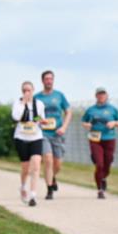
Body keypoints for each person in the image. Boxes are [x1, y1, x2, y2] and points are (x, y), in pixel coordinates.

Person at [34, 70, 71, 200]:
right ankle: (49, 189)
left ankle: (53, 177)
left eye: (51, 79)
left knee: (57, 164)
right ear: (42, 81)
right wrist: (40, 119)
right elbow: (33, 114)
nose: (49, 81)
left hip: (57, 133)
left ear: (53, 80)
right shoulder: (37, 97)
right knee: (48, 160)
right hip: (43, 132)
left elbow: (68, 112)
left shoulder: (59, 95)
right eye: (46, 79)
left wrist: (64, 127)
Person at [81, 87, 118, 199]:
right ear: (96, 96)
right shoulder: (91, 110)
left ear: (106, 95)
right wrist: (87, 125)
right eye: (99, 94)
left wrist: (114, 123)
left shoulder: (112, 109)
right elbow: (84, 121)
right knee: (99, 164)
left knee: (107, 163)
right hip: (95, 139)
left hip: (109, 138)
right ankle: (100, 190)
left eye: (103, 94)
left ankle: (103, 178)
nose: (101, 96)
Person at [12, 82, 47, 207]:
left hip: (36, 137)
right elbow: (16, 117)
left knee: (36, 164)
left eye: (29, 90)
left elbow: (38, 118)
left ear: (33, 90)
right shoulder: (18, 103)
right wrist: (23, 103)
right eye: (24, 90)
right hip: (21, 137)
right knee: (25, 168)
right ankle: (22, 187)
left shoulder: (39, 104)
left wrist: (42, 121)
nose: (27, 92)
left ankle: (33, 195)